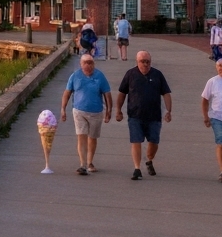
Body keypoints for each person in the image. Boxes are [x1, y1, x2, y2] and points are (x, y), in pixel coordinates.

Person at [115, 50, 172, 180]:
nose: (145, 64)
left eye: (147, 62)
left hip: (154, 116)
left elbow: (166, 93)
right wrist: (118, 110)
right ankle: (137, 168)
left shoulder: (157, 75)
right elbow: (122, 93)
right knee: (136, 141)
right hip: (135, 115)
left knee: (153, 142)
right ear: (137, 62)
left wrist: (169, 111)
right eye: (142, 61)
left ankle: (149, 160)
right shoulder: (130, 74)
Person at [60, 54, 112, 175]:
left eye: (90, 63)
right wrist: (63, 109)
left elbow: (107, 94)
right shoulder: (75, 76)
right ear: (81, 64)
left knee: (92, 138)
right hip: (79, 111)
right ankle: (83, 164)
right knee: (81, 136)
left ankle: (90, 162)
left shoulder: (100, 76)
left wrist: (109, 111)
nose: (88, 65)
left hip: (96, 112)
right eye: (86, 63)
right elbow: (67, 93)